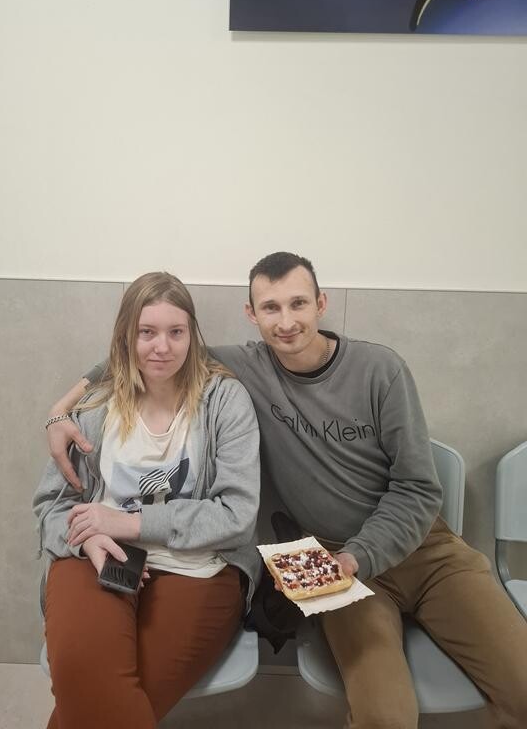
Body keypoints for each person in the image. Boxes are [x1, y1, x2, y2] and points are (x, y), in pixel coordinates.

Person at [45, 253, 527, 729]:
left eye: (298, 303)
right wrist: (61, 409)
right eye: (271, 308)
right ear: (252, 315)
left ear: (321, 303)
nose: (287, 322)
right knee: (385, 716)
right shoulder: (244, 367)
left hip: (425, 551)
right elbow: (143, 351)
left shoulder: (381, 370)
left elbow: (418, 489)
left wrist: (359, 556)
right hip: (329, 558)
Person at [33, 271, 260, 729]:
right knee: (83, 674)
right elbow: (51, 507)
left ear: (192, 335)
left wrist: (127, 523)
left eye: (176, 332)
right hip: (97, 556)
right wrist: (87, 540)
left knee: (103, 701)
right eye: (146, 332)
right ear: (126, 336)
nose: (162, 347)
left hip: (198, 566)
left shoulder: (225, 401)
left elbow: (237, 515)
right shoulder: (96, 406)